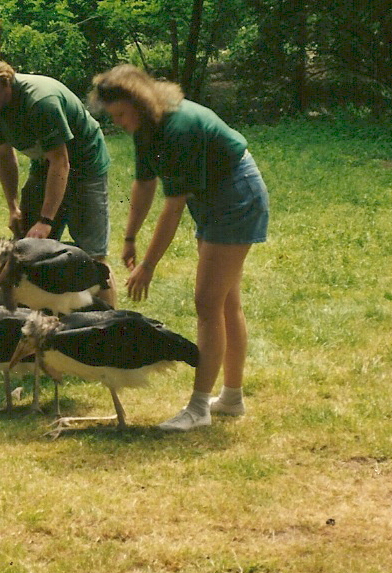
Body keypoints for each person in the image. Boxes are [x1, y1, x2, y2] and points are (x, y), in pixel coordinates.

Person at [89, 64, 269, 432]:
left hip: (235, 196)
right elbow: (143, 184)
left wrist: (149, 266)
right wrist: (129, 237)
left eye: (121, 114)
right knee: (223, 301)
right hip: (213, 197)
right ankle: (231, 399)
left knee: (207, 302)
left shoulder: (178, 128)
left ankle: (199, 408)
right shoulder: (147, 125)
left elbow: (172, 209)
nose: (118, 122)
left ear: (139, 102)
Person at [0, 50, 115, 305]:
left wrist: (46, 220)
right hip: (44, 164)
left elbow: (61, 161)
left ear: (1, 83)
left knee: (93, 257)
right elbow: (4, 156)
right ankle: (21, 318)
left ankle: (110, 327)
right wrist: (13, 206)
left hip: (85, 166)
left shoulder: (40, 101)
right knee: (24, 250)